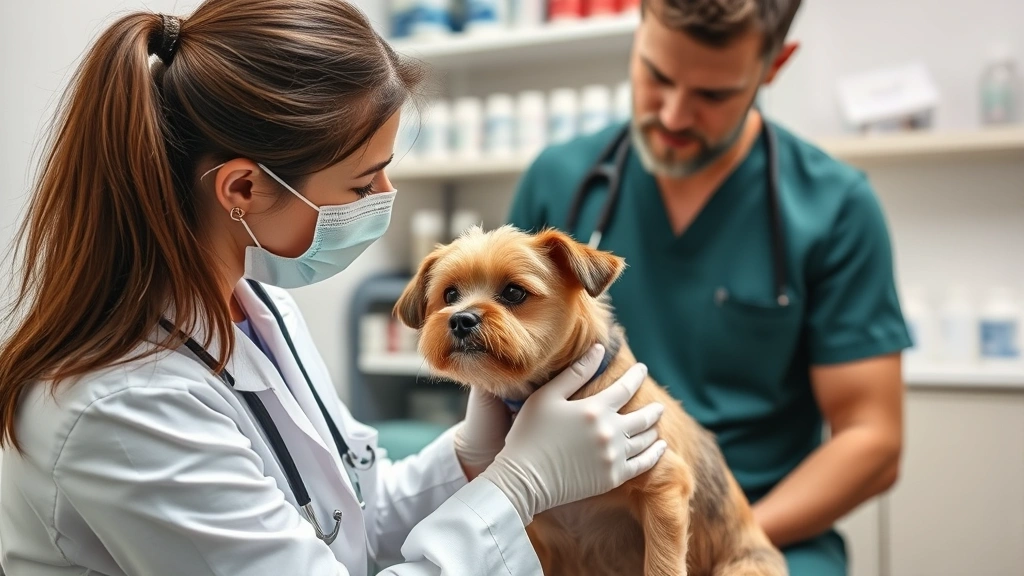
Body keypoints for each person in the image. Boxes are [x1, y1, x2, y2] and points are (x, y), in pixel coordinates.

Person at [0, 1, 669, 574]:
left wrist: (471, 456)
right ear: (242, 188)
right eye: (361, 183)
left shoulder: (261, 311)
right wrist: (520, 485)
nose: (385, 197)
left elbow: (352, 514)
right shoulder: (122, 403)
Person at [507, 0, 910, 574]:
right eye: (656, 75)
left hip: (766, 523)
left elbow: (872, 440)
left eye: (713, 95)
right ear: (638, 32)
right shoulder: (559, 181)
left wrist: (726, 539)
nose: (672, 115)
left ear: (774, 66)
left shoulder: (836, 208)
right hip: (576, 535)